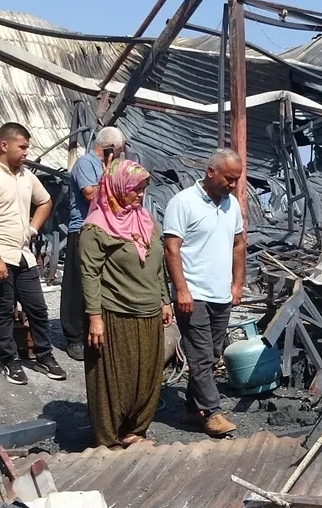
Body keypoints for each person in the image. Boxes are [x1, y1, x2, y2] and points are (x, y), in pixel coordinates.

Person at [80, 159, 172, 448]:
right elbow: (90, 273)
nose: (140, 195)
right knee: (114, 378)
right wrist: (95, 316)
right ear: (118, 187)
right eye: (135, 189)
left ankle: (135, 430)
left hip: (149, 310)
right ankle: (108, 437)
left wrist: (164, 300)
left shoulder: (144, 220)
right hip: (114, 312)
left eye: (143, 189)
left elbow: (158, 263)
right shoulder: (96, 228)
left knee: (146, 375)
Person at [0, 122, 67, 385]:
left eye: (27, 147)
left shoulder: (26, 176)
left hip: (21, 254)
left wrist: (32, 229)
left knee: (37, 307)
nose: (26, 152)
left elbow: (45, 201)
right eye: (22, 147)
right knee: (3, 309)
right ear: (5, 145)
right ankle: (9, 361)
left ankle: (44, 356)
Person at [163, 148, 245, 438]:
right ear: (211, 172)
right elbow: (171, 248)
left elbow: (238, 245)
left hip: (220, 294)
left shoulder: (231, 204)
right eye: (229, 178)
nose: (233, 185)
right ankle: (212, 412)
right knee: (199, 355)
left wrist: (237, 284)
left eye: (236, 179)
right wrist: (181, 290)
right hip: (193, 293)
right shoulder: (183, 203)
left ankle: (191, 410)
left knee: (211, 354)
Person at [61, 126, 126, 361]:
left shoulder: (105, 167)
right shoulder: (86, 164)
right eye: (118, 151)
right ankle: (74, 335)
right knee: (78, 284)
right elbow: (90, 194)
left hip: (105, 229)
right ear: (110, 149)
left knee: (99, 283)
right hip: (83, 229)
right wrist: (110, 175)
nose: (120, 156)